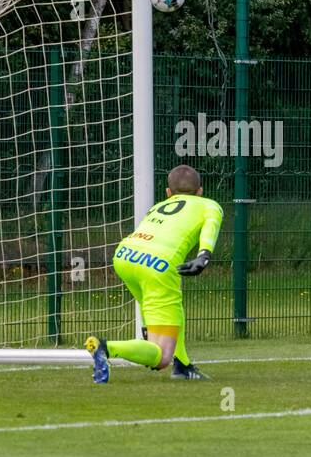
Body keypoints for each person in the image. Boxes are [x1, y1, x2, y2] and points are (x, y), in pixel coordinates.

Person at [86, 164, 222, 384]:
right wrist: (203, 255)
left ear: (168, 192)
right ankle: (104, 347)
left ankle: (183, 365)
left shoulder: (158, 206)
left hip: (125, 256)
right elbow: (211, 225)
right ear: (200, 191)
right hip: (158, 265)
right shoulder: (208, 205)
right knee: (161, 356)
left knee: (172, 313)